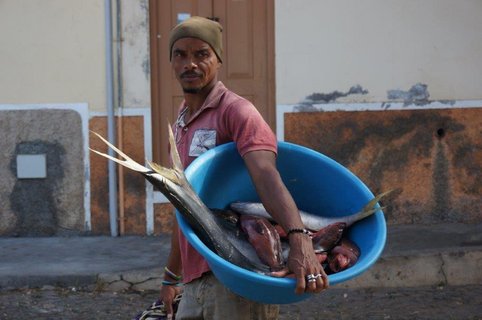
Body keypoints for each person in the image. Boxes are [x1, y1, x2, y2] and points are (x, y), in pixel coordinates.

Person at [159, 16, 328, 320]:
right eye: (180, 54)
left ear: (218, 60)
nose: (190, 64)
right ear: (171, 61)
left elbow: (265, 173)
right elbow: (184, 206)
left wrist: (300, 238)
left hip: (237, 278)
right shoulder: (183, 119)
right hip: (196, 283)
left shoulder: (236, 111)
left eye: (201, 54)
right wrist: (172, 276)